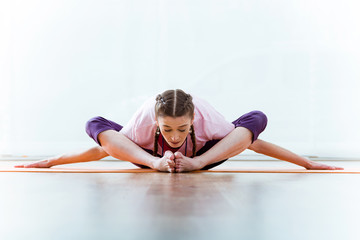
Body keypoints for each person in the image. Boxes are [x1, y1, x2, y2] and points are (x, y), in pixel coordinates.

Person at [15, 89, 343, 172]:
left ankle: (195, 162)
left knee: (255, 118)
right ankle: (157, 163)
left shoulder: (207, 119)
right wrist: (52, 161)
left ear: (193, 121)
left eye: (182, 128)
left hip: (202, 157)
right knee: (96, 125)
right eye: (167, 128)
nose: (174, 136)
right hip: (150, 158)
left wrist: (307, 163)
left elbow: (253, 143)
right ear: (156, 123)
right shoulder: (144, 122)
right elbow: (103, 148)